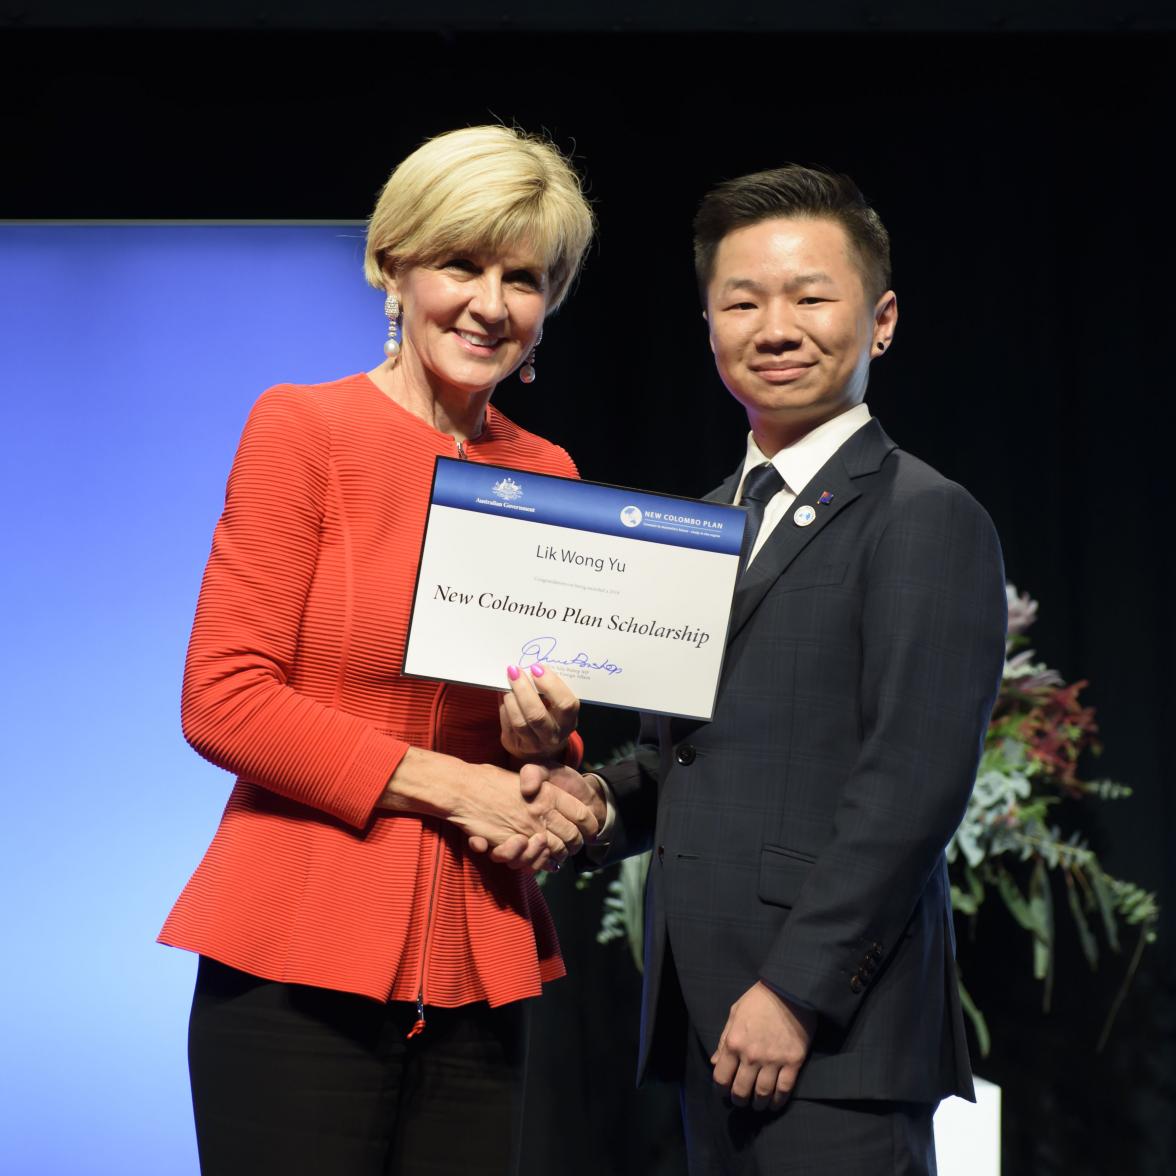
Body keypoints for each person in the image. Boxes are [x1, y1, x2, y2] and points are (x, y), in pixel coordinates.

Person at [159, 125, 599, 1176]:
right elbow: (223, 698)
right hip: (294, 958)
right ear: (391, 266)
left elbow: (533, 736)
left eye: (524, 277)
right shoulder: (302, 427)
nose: (492, 303)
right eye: (462, 263)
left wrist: (555, 772)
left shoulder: (554, 474)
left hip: (478, 965)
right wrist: (455, 785)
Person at [551, 165, 1008, 1173]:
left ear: (880, 321)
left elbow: (913, 784)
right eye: (743, 300)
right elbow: (695, 758)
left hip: (828, 1035)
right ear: (708, 324)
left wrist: (798, 990)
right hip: (702, 1018)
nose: (776, 326)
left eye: (811, 296)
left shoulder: (924, 516)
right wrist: (591, 802)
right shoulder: (705, 523)